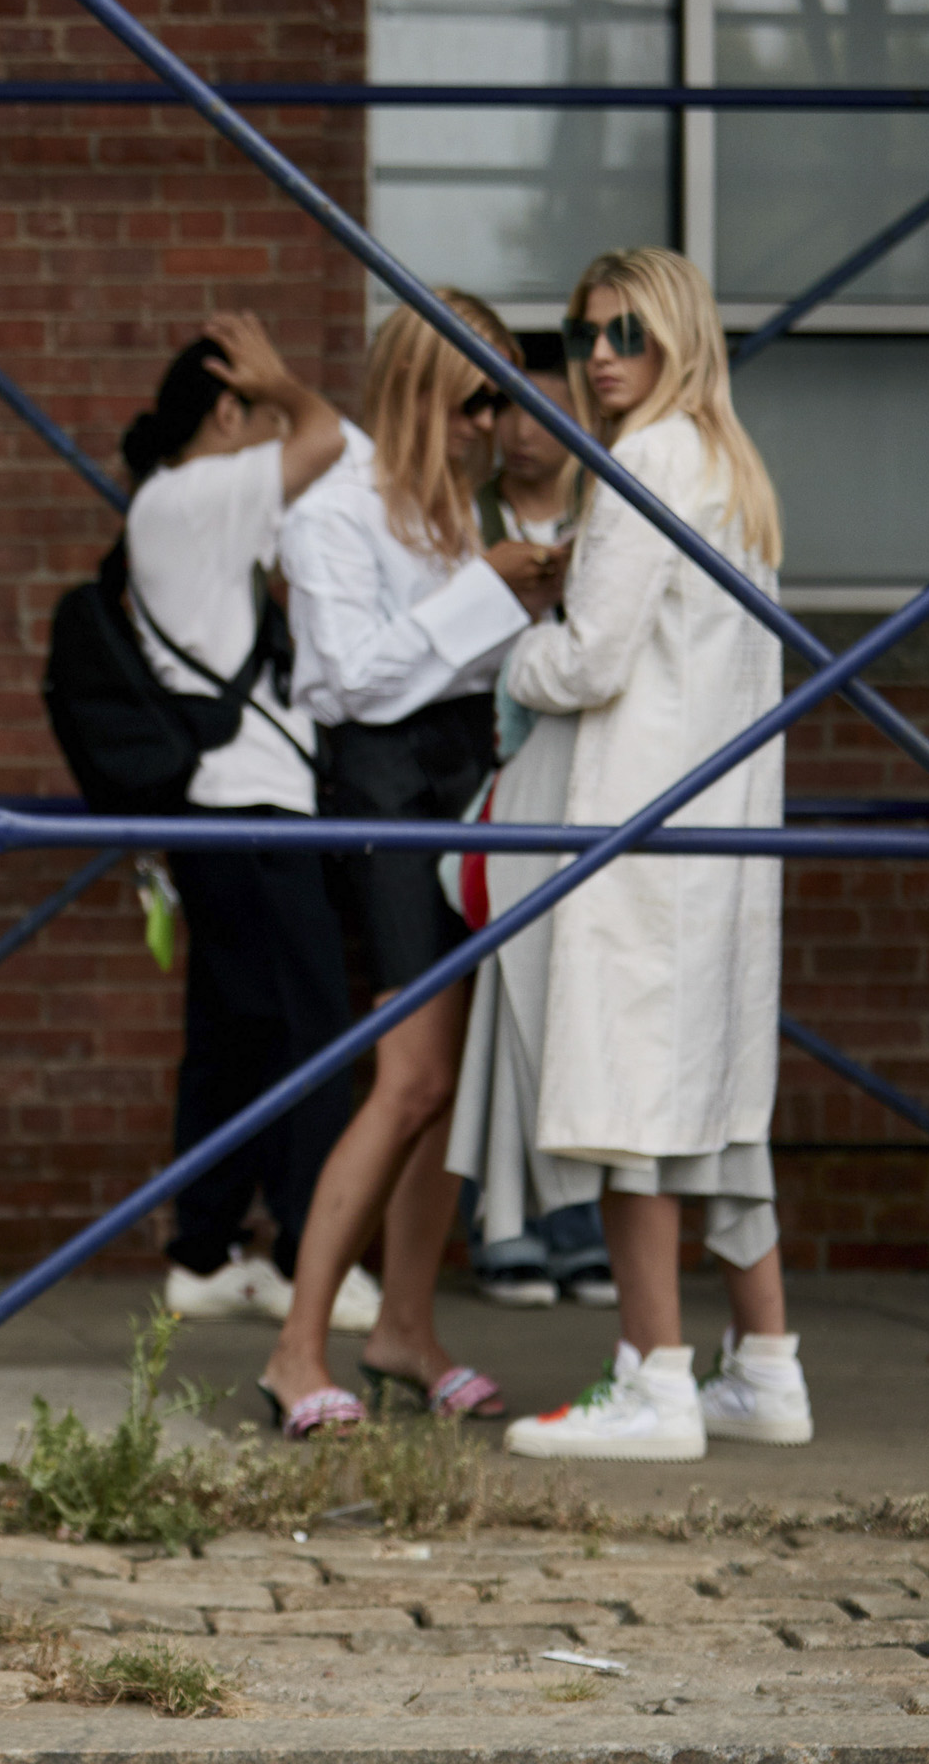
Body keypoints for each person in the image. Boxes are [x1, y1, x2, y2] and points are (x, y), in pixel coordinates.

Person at [501, 247, 807, 1462]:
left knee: (631, 1106)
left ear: (678, 333)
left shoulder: (642, 461)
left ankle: (654, 1380)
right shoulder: (733, 464)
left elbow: (591, 660)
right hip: (723, 838)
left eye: (627, 330)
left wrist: (516, 654)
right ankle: (766, 1366)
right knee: (715, 1114)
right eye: (589, 335)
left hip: (643, 825)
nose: (603, 356)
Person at [255, 291, 566, 1438]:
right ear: (421, 389)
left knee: (450, 1088)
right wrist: (491, 590)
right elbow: (349, 680)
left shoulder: (454, 510)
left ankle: (405, 1329)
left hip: (466, 778)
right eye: (479, 397)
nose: (494, 422)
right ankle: (298, 1348)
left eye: (505, 399)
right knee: (410, 1079)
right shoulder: (334, 508)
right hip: (384, 788)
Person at [122, 313, 375, 1336]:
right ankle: (313, 1257)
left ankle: (205, 1249)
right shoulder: (194, 493)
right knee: (311, 1035)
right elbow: (334, 445)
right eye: (256, 408)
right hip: (252, 808)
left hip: (226, 812)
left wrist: (276, 394)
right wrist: (287, 388)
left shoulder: (175, 505)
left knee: (235, 1037)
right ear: (228, 411)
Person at [452, 335, 616, 1312]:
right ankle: (508, 1217)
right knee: (497, 1006)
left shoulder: (612, 509)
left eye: (546, 407)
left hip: (587, 789)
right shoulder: (458, 514)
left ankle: (566, 1220)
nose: (524, 430)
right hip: (480, 784)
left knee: (574, 1000)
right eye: (508, 406)